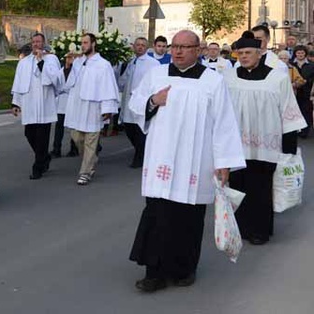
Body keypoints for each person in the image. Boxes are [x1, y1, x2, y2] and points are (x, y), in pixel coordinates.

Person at [128, 30, 246, 292]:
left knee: (188, 218)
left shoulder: (212, 81)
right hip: (161, 159)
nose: (178, 51)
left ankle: (184, 268)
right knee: (156, 215)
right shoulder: (156, 75)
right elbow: (135, 103)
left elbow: (224, 123)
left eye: (185, 47)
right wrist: (153, 101)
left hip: (196, 162)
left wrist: (224, 162)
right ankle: (154, 272)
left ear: (198, 50)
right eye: (175, 46)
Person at [223, 34, 306, 245]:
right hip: (237, 145)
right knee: (238, 185)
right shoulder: (229, 78)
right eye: (240, 53)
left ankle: (260, 230)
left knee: (260, 188)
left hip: (266, 146)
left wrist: (289, 148)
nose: (243, 57)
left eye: (248, 53)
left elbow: (288, 110)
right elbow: (221, 112)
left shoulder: (277, 78)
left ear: (259, 53)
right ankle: (241, 227)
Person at [62, 33, 120, 186]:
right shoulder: (78, 62)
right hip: (78, 107)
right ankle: (92, 160)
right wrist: (68, 66)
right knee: (77, 138)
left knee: (90, 142)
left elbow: (108, 86)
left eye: (86, 42)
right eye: (82, 43)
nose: (83, 45)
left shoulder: (103, 64)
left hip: (94, 108)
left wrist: (107, 109)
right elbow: (69, 84)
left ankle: (85, 172)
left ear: (93, 44)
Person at [12, 33, 63, 180]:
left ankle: (38, 167)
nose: (36, 44)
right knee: (29, 134)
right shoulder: (24, 62)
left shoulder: (51, 59)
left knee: (42, 137)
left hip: (44, 103)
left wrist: (41, 62)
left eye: (38, 41)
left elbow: (55, 79)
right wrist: (16, 102)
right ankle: (44, 156)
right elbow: (18, 82)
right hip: (29, 103)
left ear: (43, 43)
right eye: (33, 42)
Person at [118, 37, 160, 168]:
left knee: (139, 130)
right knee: (129, 129)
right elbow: (123, 81)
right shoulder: (131, 62)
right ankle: (141, 152)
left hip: (142, 102)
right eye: (138, 45)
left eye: (143, 45)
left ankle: (140, 157)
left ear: (147, 47)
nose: (140, 47)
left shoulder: (152, 63)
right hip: (128, 102)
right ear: (134, 47)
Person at [51, 53, 77, 158]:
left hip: (71, 101)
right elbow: (55, 83)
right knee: (59, 127)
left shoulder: (76, 71)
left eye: (72, 57)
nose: (70, 59)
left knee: (73, 126)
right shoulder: (60, 71)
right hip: (61, 102)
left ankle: (74, 149)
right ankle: (56, 149)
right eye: (68, 57)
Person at [291, 45, 314, 138]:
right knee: (294, 112)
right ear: (295, 54)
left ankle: (305, 131)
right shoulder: (291, 64)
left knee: (306, 112)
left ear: (305, 54)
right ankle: (294, 130)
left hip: (306, 92)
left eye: (302, 53)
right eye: (298, 53)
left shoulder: (311, 65)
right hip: (293, 91)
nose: (300, 54)